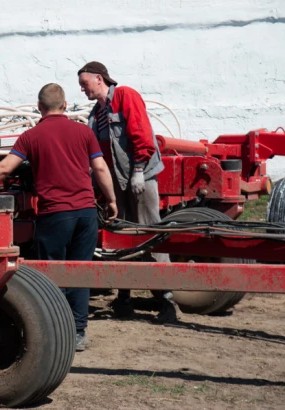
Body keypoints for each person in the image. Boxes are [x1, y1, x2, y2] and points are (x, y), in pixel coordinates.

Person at [0, 83, 117, 352]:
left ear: (39, 108)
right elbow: (99, 167)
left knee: (52, 273)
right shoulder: (84, 132)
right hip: (86, 213)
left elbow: (5, 168)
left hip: (55, 215)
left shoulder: (31, 136)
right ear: (65, 106)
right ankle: (78, 333)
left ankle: (57, 332)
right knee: (81, 271)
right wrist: (111, 200)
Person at [77, 61, 178, 323]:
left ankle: (166, 302)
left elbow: (141, 135)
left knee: (150, 235)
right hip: (117, 184)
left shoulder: (125, 96)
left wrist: (139, 171)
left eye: (84, 84)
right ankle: (124, 299)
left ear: (99, 79)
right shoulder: (95, 114)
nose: (82, 90)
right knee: (121, 238)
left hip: (139, 179)